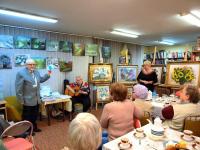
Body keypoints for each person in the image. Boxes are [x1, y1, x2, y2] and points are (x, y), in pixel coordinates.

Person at [15, 58, 50, 133]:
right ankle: (27, 131)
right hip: (27, 99)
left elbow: (40, 80)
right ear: (26, 65)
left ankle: (34, 127)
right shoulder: (21, 73)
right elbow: (18, 88)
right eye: (30, 64)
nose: (32, 66)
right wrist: (21, 100)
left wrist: (48, 75)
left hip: (36, 99)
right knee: (27, 116)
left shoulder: (36, 72)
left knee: (34, 115)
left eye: (34, 64)